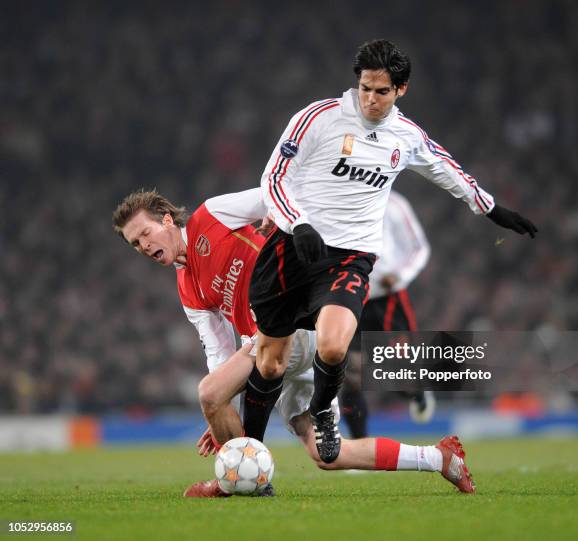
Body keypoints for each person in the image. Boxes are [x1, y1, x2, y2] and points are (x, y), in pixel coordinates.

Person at [245, 39, 537, 464]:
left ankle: (324, 410)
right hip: (293, 246)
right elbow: (274, 177)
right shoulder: (317, 118)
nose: (370, 98)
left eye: (381, 91)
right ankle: (249, 453)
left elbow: (447, 169)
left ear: (401, 90)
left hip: (352, 256)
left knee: (332, 345)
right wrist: (298, 221)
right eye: (365, 87)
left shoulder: (406, 135)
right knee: (270, 363)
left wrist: (491, 208)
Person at [112, 188, 476, 497]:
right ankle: (439, 458)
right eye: (134, 244)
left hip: (293, 326)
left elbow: (273, 193)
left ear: (166, 220)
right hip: (268, 350)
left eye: (145, 233)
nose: (143, 246)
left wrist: (277, 216)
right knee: (328, 455)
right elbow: (218, 351)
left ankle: (238, 483)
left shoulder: (214, 215)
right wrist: (221, 412)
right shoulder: (187, 287)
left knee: (209, 392)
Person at [341, 190, 434, 439]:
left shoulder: (394, 204)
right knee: (349, 373)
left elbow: (419, 248)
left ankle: (416, 392)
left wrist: (400, 275)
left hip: (387, 299)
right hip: (348, 297)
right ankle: (358, 445)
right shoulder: (336, 198)